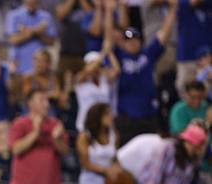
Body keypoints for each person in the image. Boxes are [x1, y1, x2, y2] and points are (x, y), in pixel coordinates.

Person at [114, 0, 177, 143]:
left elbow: (163, 35)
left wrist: (173, 9)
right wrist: (122, 8)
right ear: (122, 42)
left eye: (135, 39)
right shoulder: (118, 57)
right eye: (128, 40)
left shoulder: (147, 54)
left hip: (148, 117)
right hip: (127, 119)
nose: (132, 42)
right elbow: (118, 30)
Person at [115, 123, 207, 184]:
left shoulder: (193, 158)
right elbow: (156, 171)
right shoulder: (167, 147)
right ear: (190, 142)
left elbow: (186, 179)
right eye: (198, 145)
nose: (200, 149)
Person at [8, 88, 70, 184]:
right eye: (42, 100)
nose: (46, 104)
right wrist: (36, 132)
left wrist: (56, 139)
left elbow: (65, 151)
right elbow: (15, 149)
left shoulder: (56, 124)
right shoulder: (20, 123)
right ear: (30, 104)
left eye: (47, 101)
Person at [76, 103, 120, 184]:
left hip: (109, 182)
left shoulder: (114, 135)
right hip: (90, 181)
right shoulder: (84, 136)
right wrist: (105, 170)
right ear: (98, 117)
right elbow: (85, 163)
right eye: (107, 114)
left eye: (111, 114)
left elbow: (115, 158)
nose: (111, 117)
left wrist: (115, 168)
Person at [73, 47, 120, 132]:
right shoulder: (80, 79)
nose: (96, 68)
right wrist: (103, 52)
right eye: (92, 64)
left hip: (104, 124)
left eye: (99, 65)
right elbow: (89, 70)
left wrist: (109, 52)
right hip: (86, 123)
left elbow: (117, 70)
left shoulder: (104, 79)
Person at [6, 0, 57, 75]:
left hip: (41, 68)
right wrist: (37, 30)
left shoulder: (46, 16)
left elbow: (51, 42)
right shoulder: (13, 15)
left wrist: (26, 31)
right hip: (19, 66)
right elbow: (13, 40)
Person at [175, 0, 212, 98]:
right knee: (185, 94)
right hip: (187, 58)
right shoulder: (182, 3)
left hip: (207, 59)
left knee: (206, 96)